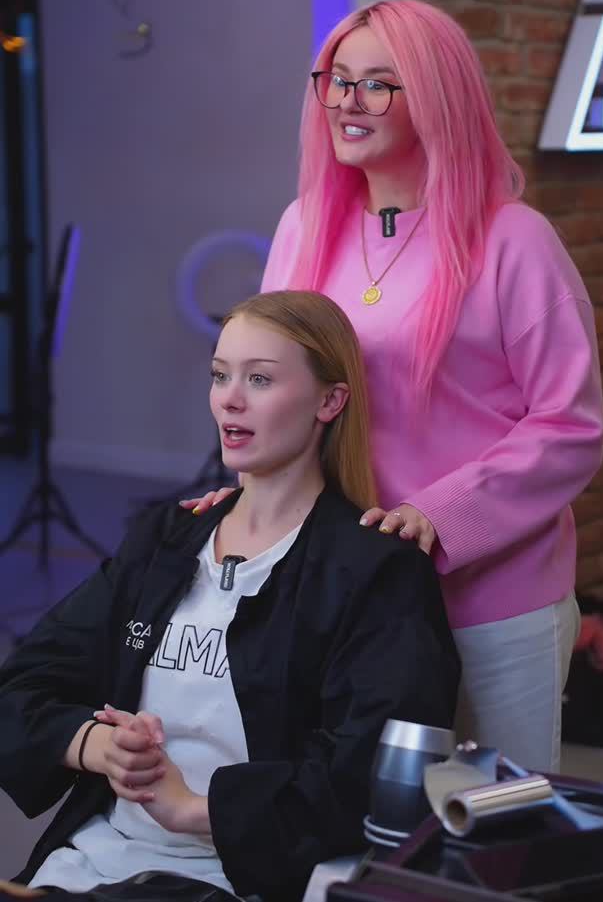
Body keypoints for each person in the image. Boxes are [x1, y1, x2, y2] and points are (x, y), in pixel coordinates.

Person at [183, 0, 603, 773]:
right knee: (365, 816)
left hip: (492, 601)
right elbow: (279, 390)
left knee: (492, 819)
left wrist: (438, 514)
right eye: (338, 80)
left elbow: (570, 427)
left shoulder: (515, 240)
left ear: (437, 97)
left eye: (379, 83)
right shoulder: (303, 226)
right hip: (349, 593)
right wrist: (249, 497)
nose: (349, 101)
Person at [0, 290, 459, 902]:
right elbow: (20, 686)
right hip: (92, 859)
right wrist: (101, 748)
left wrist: (194, 809)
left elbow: (368, 774)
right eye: (220, 376)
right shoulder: (165, 541)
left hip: (236, 879)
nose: (229, 399)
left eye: (260, 379)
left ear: (330, 401)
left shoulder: (378, 572)